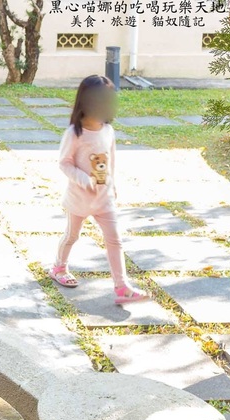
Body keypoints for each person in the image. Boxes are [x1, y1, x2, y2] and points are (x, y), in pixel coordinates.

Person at [50, 75, 149, 304]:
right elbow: (64, 163)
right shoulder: (74, 134)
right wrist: (84, 179)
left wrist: (113, 185)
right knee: (72, 235)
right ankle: (59, 267)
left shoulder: (108, 130)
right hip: (79, 199)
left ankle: (122, 286)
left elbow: (111, 160)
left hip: (104, 199)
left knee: (114, 240)